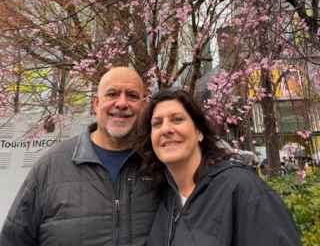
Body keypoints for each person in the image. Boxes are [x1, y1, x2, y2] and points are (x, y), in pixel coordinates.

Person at [0, 66, 159, 246]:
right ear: (96, 103)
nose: (122, 103)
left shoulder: (158, 165)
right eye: (112, 94)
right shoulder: (50, 167)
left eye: (132, 95)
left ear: (143, 106)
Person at [138, 89, 300, 246]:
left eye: (177, 119)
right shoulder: (164, 201)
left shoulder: (241, 188)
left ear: (199, 132)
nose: (166, 129)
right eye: (157, 123)